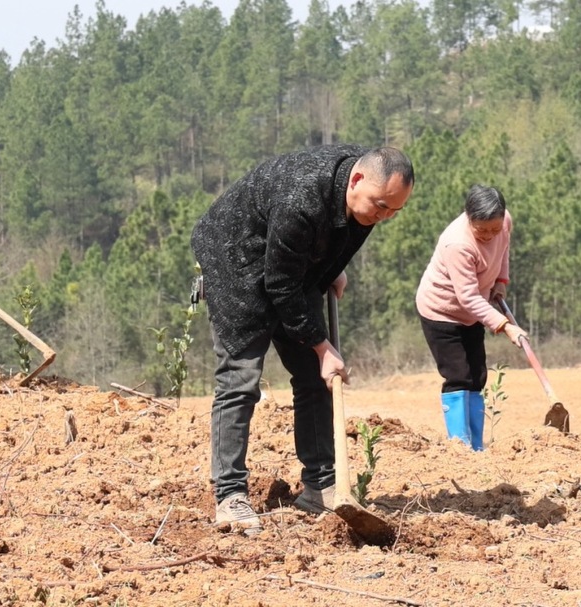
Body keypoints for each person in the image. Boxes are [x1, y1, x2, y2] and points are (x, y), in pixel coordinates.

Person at [191, 144, 415, 534]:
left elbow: (329, 242)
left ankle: (320, 486)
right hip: (238, 260)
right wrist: (322, 346)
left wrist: (331, 266)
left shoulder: (364, 189)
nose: (385, 217)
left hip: (287, 262)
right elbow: (279, 284)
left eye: (395, 211)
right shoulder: (302, 198)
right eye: (381, 207)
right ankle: (229, 496)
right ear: (357, 180)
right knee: (240, 379)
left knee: (315, 378)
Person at [415, 185, 527, 451]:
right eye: (482, 230)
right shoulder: (458, 243)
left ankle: (477, 446)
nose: (489, 235)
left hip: (475, 310)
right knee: (458, 376)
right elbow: (467, 297)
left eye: (494, 229)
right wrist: (506, 326)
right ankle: (460, 448)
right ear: (468, 217)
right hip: (442, 311)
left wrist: (500, 280)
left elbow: (503, 250)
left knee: (477, 375)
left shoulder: (503, 222)